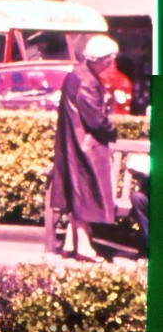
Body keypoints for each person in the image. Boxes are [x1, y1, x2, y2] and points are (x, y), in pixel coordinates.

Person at [52, 33, 121, 261]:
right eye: (109, 60)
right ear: (100, 59)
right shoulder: (88, 81)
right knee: (85, 194)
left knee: (77, 193)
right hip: (86, 147)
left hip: (73, 142)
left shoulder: (77, 75)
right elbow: (96, 120)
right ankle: (83, 246)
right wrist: (112, 130)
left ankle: (71, 243)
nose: (111, 65)